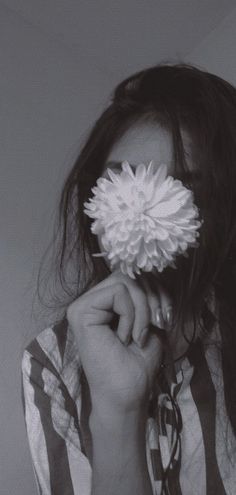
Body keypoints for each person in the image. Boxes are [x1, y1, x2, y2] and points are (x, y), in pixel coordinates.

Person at [21, 62, 236, 495]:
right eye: (119, 179)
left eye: (188, 187)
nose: (139, 213)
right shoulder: (51, 363)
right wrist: (119, 412)